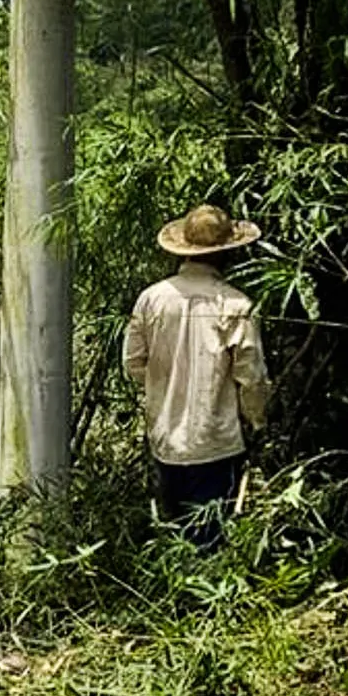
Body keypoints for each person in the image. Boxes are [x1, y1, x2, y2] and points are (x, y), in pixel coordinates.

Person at [122, 204, 270, 551]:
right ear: (227, 254)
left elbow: (133, 363)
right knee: (209, 543)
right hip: (215, 441)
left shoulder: (151, 299)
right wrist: (258, 422)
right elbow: (251, 379)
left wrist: (166, 390)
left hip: (165, 439)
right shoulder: (236, 306)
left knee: (175, 540)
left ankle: (175, 604)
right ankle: (200, 604)